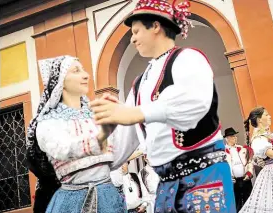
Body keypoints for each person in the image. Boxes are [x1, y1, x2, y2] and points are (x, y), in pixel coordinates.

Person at [89, 0, 236, 212]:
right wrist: (99, 142)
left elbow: (194, 102)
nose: (132, 38)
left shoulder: (188, 58)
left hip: (204, 178)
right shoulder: (139, 84)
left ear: (156, 26)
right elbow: (123, 139)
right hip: (165, 185)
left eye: (137, 31)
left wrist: (136, 113)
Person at [26, 56, 138, 213]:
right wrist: (100, 138)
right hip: (72, 201)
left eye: (84, 70)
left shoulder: (94, 116)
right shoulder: (48, 122)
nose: (86, 75)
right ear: (60, 81)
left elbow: (116, 156)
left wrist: (134, 113)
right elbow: (63, 149)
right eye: (76, 71)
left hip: (109, 197)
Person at [224, 127, 253, 211]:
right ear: (227, 138)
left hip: (245, 179)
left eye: (235, 136)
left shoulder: (242, 149)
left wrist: (249, 173)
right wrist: (228, 178)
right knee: (236, 203)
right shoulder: (222, 152)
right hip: (233, 181)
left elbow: (249, 162)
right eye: (232, 136)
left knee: (249, 200)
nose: (235, 138)